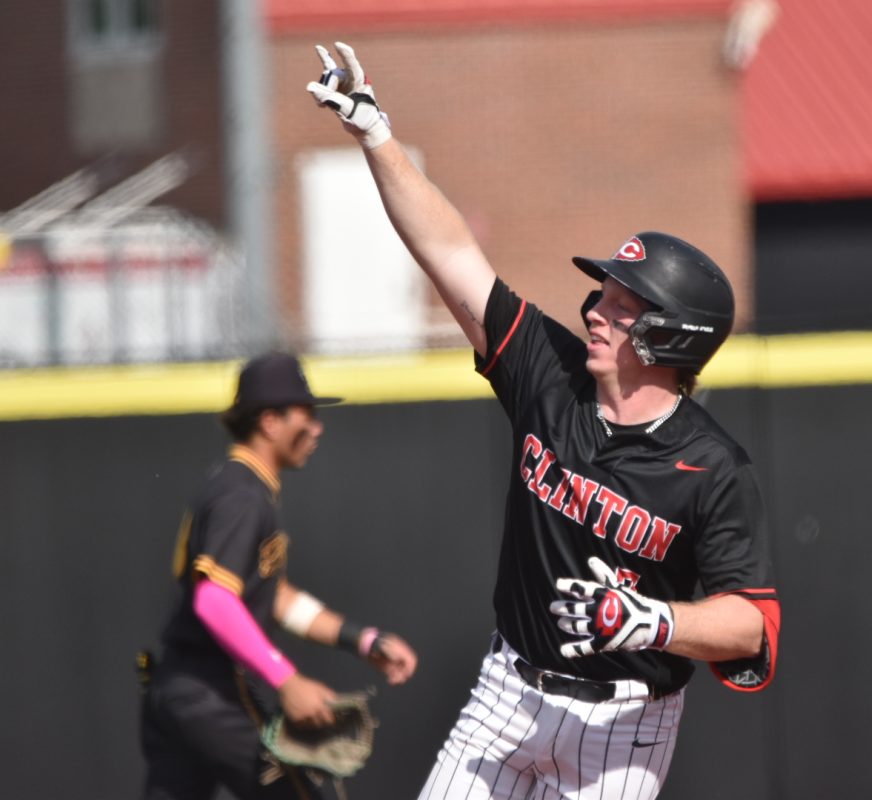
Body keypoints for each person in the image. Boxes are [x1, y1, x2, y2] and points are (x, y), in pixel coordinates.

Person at [307, 43, 781, 800]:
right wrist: (376, 136)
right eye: (604, 296)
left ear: (673, 336)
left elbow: (748, 626)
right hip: (508, 696)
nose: (597, 310)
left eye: (625, 307)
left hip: (623, 731)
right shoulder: (549, 371)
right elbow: (451, 255)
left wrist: (653, 620)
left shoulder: (713, 467)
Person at [139, 351, 419, 800]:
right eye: (305, 414)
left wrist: (361, 639)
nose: (316, 427)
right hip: (211, 688)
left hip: (176, 687)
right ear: (270, 421)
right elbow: (213, 599)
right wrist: (286, 679)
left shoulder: (239, 486)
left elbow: (278, 598)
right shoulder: (242, 494)